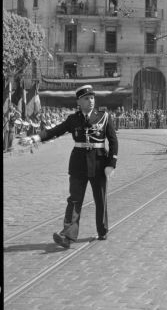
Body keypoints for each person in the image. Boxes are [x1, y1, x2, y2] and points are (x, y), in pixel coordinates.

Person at [21, 85, 118, 248]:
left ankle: (102, 230)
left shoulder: (104, 116)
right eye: (87, 98)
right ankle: (68, 236)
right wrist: (36, 137)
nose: (91, 101)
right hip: (78, 164)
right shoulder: (73, 119)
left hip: (99, 163)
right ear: (79, 101)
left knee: (100, 199)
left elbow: (113, 141)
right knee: (74, 200)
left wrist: (111, 164)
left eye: (92, 97)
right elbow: (55, 131)